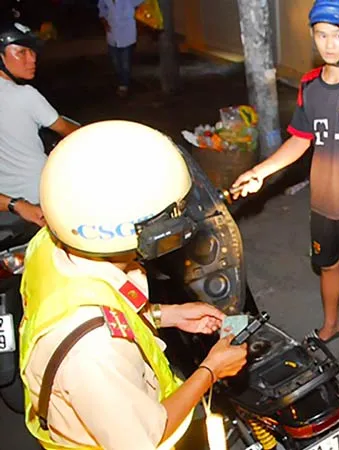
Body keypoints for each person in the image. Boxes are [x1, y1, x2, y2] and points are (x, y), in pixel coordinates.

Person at [18, 120, 249, 449]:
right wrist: (212, 369)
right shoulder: (94, 353)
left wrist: (166, 315)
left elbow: (95, 305)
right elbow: (147, 437)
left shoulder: (48, 245)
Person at [232, 0, 339, 371]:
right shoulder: (309, 85)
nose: (330, 43)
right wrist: (261, 172)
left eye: (338, 34)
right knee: (327, 266)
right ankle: (332, 324)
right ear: (313, 36)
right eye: (322, 35)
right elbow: (300, 140)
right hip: (322, 204)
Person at [0, 21, 78, 230]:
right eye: (22, 52)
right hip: (38, 195)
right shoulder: (25, 95)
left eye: (32, 51)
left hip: (6, 202)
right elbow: (69, 131)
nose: (32, 59)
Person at [98, 0, 143, 97]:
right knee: (116, 62)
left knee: (125, 63)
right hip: (112, 34)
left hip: (127, 33)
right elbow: (102, 10)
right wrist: (104, 22)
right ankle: (122, 80)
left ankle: (124, 85)